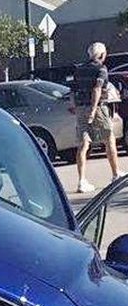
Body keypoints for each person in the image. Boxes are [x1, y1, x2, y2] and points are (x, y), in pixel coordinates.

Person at [74, 42, 122, 193]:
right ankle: (115, 173)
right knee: (109, 138)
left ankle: (81, 181)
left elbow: (72, 90)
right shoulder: (101, 69)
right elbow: (97, 88)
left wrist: (77, 107)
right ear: (101, 55)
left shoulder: (79, 69)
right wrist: (94, 109)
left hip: (81, 107)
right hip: (98, 108)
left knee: (83, 143)